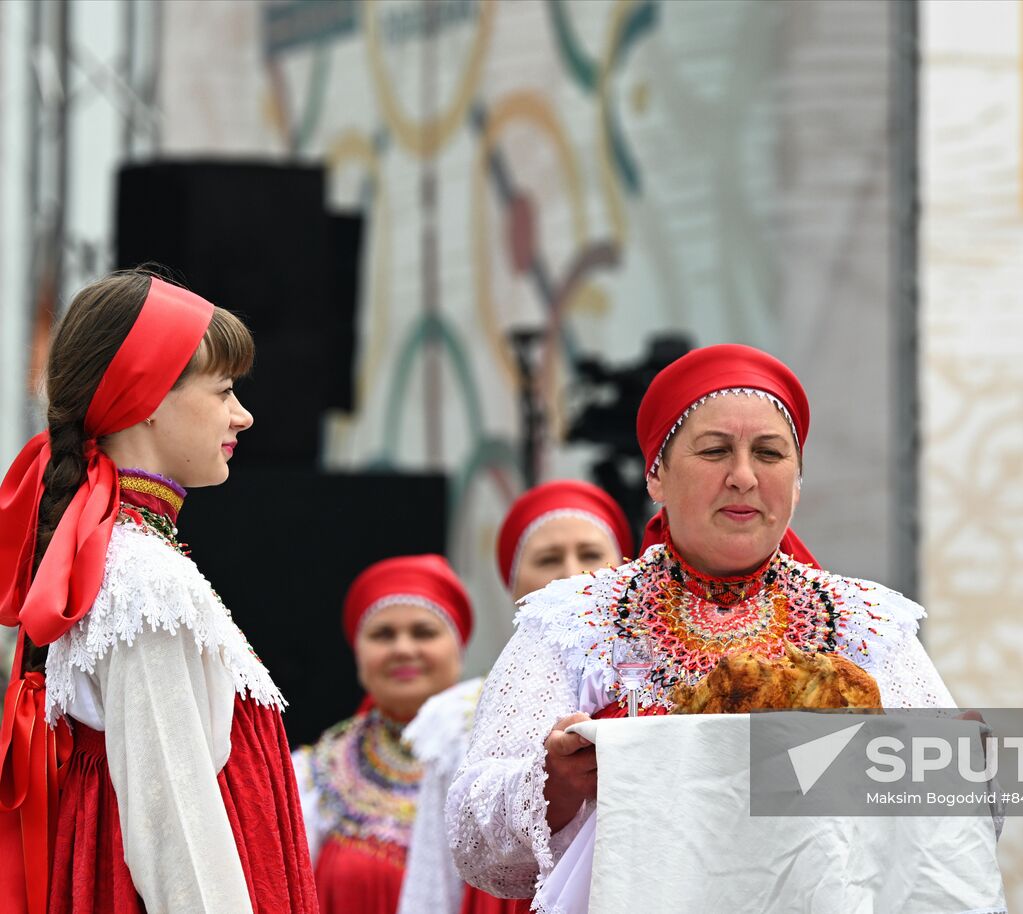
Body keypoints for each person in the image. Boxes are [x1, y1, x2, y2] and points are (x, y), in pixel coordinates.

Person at [444, 344, 965, 904]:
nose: (743, 476)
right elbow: (472, 840)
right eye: (715, 451)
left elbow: (962, 823)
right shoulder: (575, 623)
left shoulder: (866, 625)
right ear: (656, 478)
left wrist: (944, 766)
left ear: (797, 482)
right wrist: (551, 784)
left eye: (769, 454)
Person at [0, 270, 317, 913]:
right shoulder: (139, 576)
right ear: (146, 396)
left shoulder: (116, 553)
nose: (243, 415)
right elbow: (173, 820)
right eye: (225, 390)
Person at [395, 479, 633, 914]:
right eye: (547, 559)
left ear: (624, 573)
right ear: (512, 585)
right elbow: (434, 876)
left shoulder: (651, 688)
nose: (570, 573)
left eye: (591, 555)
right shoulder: (454, 718)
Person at [294, 554, 471, 913]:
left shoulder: (493, 755)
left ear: (459, 649)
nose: (403, 649)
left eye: (424, 632)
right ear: (358, 655)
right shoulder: (313, 774)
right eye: (383, 635)